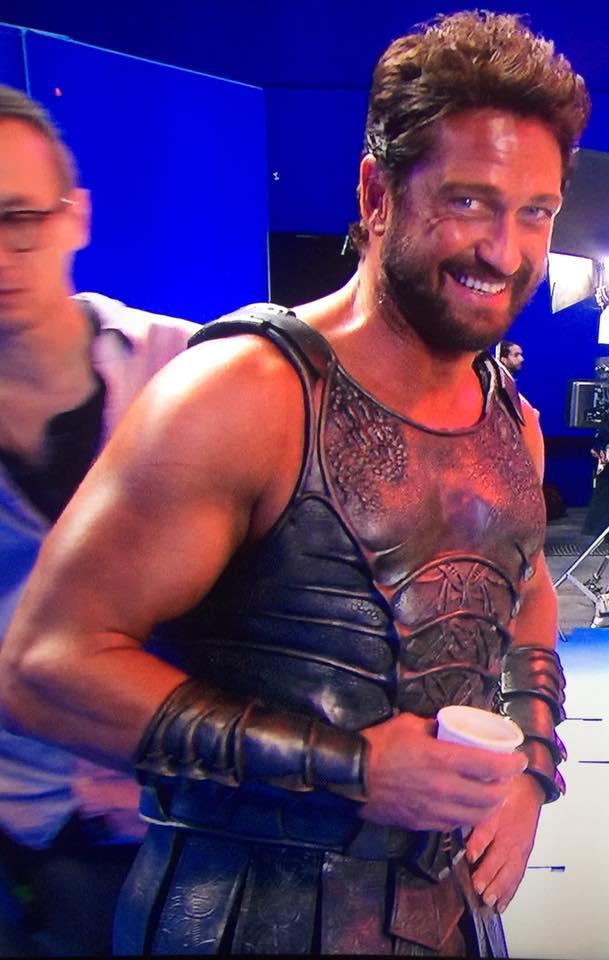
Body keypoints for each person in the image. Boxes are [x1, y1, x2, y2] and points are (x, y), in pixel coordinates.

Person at [0, 12, 589, 956]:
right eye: (470, 202)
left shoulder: (508, 418)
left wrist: (529, 766)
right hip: (236, 920)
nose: (505, 251)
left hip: (449, 919)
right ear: (377, 194)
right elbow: (43, 670)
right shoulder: (243, 395)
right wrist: (352, 768)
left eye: (536, 212)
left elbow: (527, 598)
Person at [0, 85, 197, 955]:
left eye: (18, 220)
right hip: (24, 831)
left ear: (74, 216)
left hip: (194, 819)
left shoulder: (188, 373)